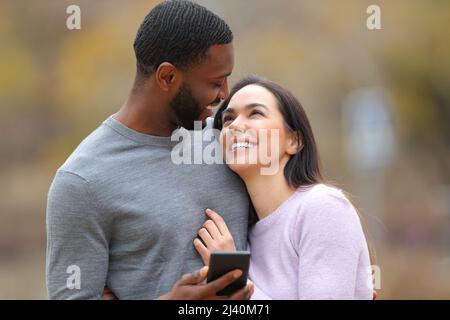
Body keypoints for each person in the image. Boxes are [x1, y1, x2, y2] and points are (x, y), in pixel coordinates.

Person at [46, 0, 254, 300]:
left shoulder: (228, 139)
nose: (224, 95)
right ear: (167, 77)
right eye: (215, 83)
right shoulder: (82, 181)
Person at [193, 75, 374, 299]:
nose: (235, 126)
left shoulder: (323, 207)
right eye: (228, 119)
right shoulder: (242, 231)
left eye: (255, 113)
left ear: (294, 141)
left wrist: (233, 279)